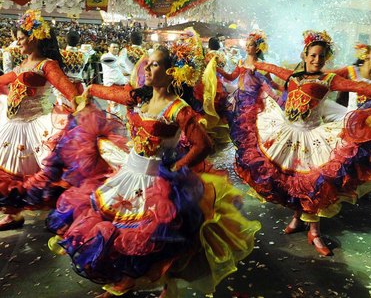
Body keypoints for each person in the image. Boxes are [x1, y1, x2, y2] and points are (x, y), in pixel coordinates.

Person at [47, 44, 260, 297]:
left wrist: (177, 167)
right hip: (127, 174)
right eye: (147, 63)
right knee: (115, 232)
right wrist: (89, 90)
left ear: (171, 72)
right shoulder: (140, 97)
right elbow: (111, 94)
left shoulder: (178, 108)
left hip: (157, 183)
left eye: (154, 64)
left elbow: (203, 145)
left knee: (158, 241)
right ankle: (121, 281)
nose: (146, 67)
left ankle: (165, 286)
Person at [232, 30, 371, 256]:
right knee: (292, 182)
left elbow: (359, 88)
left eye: (321, 56)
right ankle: (297, 218)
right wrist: (255, 61)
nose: (316, 60)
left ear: (326, 59)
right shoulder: (293, 76)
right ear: (305, 55)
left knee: (315, 186)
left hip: (313, 139)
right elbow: (272, 68)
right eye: (313, 55)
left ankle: (314, 231)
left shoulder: (329, 79)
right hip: (286, 134)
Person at [0, 10, 80, 230]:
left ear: (34, 37)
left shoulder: (47, 65)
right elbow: (5, 80)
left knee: (49, 173)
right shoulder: (23, 64)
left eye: (21, 38)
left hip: (40, 127)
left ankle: (61, 216)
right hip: (12, 127)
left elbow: (70, 91)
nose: (17, 43)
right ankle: (13, 213)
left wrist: (80, 111)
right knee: (9, 174)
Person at [100, 42, 128, 115]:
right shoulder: (105, 57)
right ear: (108, 48)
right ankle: (114, 124)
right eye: (113, 47)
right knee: (114, 106)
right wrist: (123, 55)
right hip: (111, 85)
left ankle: (112, 122)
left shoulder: (118, 58)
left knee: (115, 106)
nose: (115, 49)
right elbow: (115, 64)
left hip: (120, 85)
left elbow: (125, 70)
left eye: (117, 47)